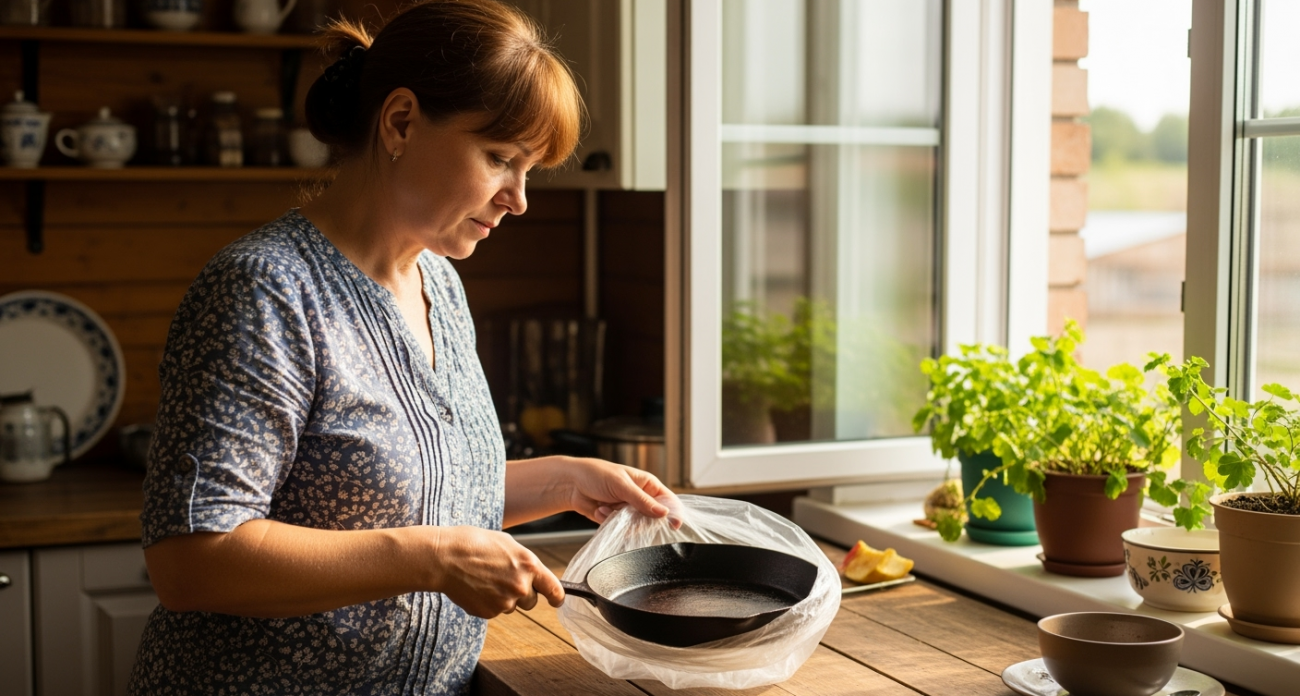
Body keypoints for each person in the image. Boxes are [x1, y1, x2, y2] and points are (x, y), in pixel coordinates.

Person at [127, 1, 678, 693]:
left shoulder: (437, 282)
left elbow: (406, 496)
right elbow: (191, 560)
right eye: (501, 158)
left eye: (529, 169)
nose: (519, 199)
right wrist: (431, 560)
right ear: (401, 122)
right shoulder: (265, 291)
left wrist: (566, 480)